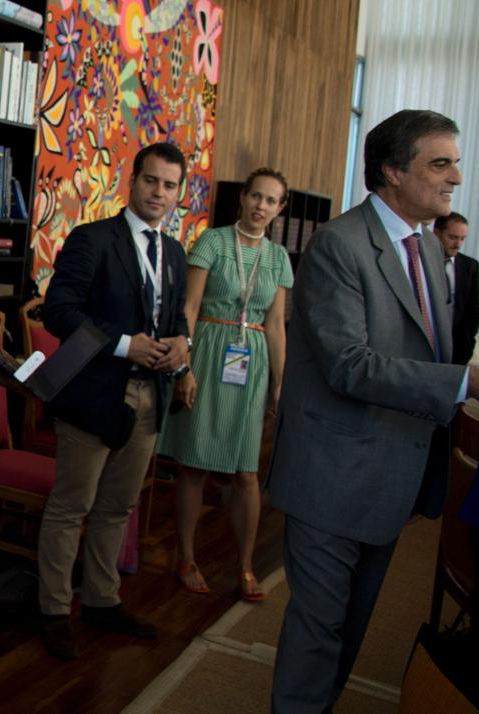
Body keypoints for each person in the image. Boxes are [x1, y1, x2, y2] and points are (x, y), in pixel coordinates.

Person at [268, 109, 479, 712]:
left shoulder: (425, 246)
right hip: (331, 477)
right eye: (440, 163)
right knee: (317, 637)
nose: (455, 178)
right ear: (393, 171)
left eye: (455, 162)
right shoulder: (337, 246)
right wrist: (468, 381)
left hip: (391, 480)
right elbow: (351, 365)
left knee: (348, 635)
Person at [37, 142, 191, 660]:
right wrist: (125, 344)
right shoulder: (93, 239)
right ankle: (54, 610)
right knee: (71, 508)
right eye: (152, 181)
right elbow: (59, 310)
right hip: (94, 392)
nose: (159, 193)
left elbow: (176, 318)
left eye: (170, 186)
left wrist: (181, 346)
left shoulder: (174, 252)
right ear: (134, 180)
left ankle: (102, 600)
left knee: (118, 508)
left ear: (178, 193)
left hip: (150, 398)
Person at [158, 168, 292, 601]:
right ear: (243, 198)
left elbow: (275, 325)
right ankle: (186, 556)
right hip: (210, 350)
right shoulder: (214, 241)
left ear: (279, 208)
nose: (260, 206)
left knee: (247, 472)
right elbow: (191, 307)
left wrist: (279, 381)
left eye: (271, 200)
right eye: (256, 196)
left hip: (250, 361)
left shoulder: (278, 259)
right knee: (194, 464)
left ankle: (246, 564)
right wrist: (185, 367)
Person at [434, 212, 479, 365]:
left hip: (457, 349)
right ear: (436, 232)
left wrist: (467, 345)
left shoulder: (471, 266)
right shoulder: (418, 261)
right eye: (453, 237)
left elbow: (473, 310)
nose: (458, 244)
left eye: (462, 239)